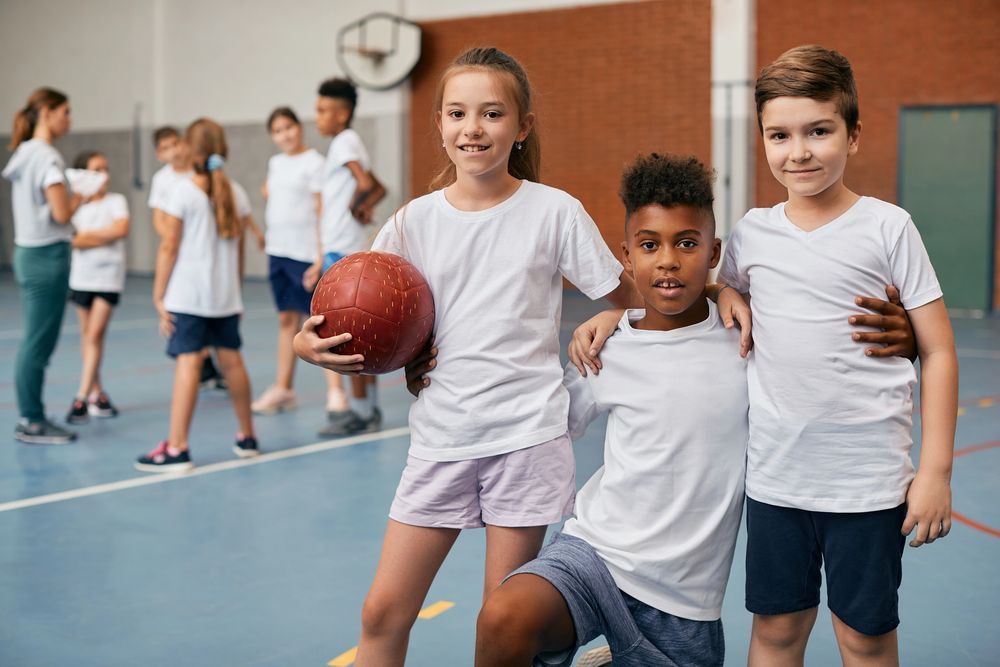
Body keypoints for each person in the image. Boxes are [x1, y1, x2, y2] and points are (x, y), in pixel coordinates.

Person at [573, 45, 957, 667]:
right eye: (780, 134)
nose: (799, 151)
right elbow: (701, 297)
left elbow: (938, 349)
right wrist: (621, 313)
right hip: (777, 482)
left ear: (853, 135)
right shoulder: (753, 231)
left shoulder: (889, 228)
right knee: (777, 632)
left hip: (867, 484)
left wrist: (935, 472)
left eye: (819, 131)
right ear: (762, 139)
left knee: (865, 638)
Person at [293, 47, 635, 666]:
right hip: (441, 439)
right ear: (441, 125)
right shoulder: (411, 223)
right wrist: (304, 344)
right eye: (457, 113)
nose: (472, 128)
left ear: (521, 126)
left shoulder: (554, 211)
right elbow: (351, 309)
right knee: (381, 612)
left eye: (492, 114)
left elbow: (627, 298)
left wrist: (612, 314)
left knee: (500, 627)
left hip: (525, 439)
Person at [476, 153, 745, 667]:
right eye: (650, 245)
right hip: (596, 554)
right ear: (627, 256)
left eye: (687, 244)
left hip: (685, 599)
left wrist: (909, 334)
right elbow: (547, 419)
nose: (667, 260)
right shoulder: (608, 346)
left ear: (713, 253)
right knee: (503, 617)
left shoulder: (743, 337)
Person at [135, 118, 259, 472]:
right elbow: (239, 251)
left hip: (188, 297)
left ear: (191, 149)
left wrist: (159, 295)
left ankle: (177, 448)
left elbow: (168, 247)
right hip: (224, 297)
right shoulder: (236, 191)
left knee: (189, 364)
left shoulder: (184, 192)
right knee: (232, 362)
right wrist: (233, 291)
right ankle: (247, 437)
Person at [250, 106, 342, 415]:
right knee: (286, 321)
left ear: (299, 128)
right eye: (277, 130)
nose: (285, 134)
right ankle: (284, 388)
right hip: (279, 252)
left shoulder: (315, 162)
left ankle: (335, 392)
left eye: (289, 127)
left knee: (319, 322)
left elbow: (320, 209)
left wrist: (319, 257)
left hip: (305, 255)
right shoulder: (275, 163)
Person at [3, 87, 81, 444]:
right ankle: (31, 419)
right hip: (46, 258)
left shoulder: (25, 152)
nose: (69, 119)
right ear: (47, 113)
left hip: (29, 254)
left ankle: (31, 415)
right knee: (38, 343)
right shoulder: (47, 157)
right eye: (65, 112)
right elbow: (61, 212)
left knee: (36, 341)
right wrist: (84, 195)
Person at [309, 77, 386, 437]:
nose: (318, 117)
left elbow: (367, 185)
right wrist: (361, 206)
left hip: (342, 249)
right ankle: (368, 409)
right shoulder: (347, 142)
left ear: (342, 114)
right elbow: (377, 185)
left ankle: (359, 412)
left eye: (323, 110)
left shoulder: (343, 142)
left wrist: (357, 207)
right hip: (344, 246)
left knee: (345, 336)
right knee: (353, 335)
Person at [65, 151, 129, 423]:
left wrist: (87, 237)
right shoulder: (77, 206)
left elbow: (120, 230)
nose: (103, 175)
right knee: (89, 337)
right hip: (81, 279)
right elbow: (72, 239)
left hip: (108, 279)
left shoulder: (117, 201)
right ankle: (98, 393)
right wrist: (96, 237)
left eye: (105, 169)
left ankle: (81, 396)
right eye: (96, 170)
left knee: (93, 334)